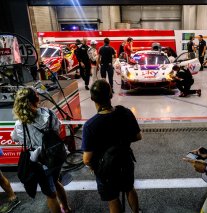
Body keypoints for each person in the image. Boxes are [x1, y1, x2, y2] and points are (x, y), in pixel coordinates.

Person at [82, 80, 142, 213]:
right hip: (125, 160)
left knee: (112, 198)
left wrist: (92, 167)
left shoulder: (90, 125)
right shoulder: (125, 112)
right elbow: (138, 136)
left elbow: (86, 159)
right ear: (111, 95)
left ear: (92, 98)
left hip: (105, 169)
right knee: (129, 188)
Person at [11, 87, 71, 213]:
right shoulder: (48, 113)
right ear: (36, 99)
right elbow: (58, 127)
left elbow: (16, 138)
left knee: (50, 194)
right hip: (56, 155)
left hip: (40, 162)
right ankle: (66, 208)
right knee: (56, 181)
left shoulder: (19, 124)